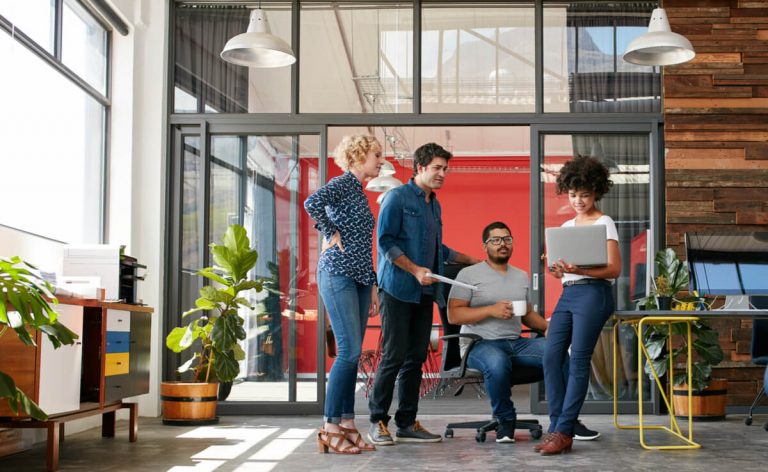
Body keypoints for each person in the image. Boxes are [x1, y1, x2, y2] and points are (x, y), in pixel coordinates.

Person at [368, 142, 480, 446]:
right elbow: (386, 242)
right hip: (397, 289)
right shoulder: (396, 198)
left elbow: (436, 249)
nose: (443, 174)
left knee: (416, 358)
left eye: (446, 169)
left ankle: (406, 422)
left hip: (426, 294)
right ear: (420, 168)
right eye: (437, 168)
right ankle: (378, 420)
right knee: (393, 356)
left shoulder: (434, 204)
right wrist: (415, 269)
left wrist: (470, 259)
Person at [448, 221, 599, 444]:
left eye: (507, 239)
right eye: (496, 240)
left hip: (516, 343)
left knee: (557, 353)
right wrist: (491, 310)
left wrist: (549, 329)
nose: (503, 244)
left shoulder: (520, 276)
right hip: (479, 344)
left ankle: (568, 422)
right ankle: (505, 419)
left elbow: (526, 313)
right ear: (485, 246)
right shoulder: (468, 275)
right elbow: (454, 315)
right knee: (497, 363)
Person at [304, 135, 384, 455]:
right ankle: (329, 426)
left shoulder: (360, 193)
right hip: (337, 274)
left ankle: (347, 423)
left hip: (361, 278)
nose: (381, 161)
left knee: (353, 352)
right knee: (349, 351)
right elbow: (312, 203)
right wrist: (329, 231)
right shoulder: (343, 183)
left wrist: (374, 285)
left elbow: (365, 245)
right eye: (376, 155)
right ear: (359, 155)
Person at [537, 155, 622, 455]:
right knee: (550, 355)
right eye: (573, 195)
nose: (578, 201)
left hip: (595, 293)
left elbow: (614, 269)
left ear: (596, 192)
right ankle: (559, 425)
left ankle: (563, 431)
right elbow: (562, 272)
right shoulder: (566, 225)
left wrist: (581, 269)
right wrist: (559, 270)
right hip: (569, 292)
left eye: (584, 195)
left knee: (579, 359)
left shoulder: (604, 222)